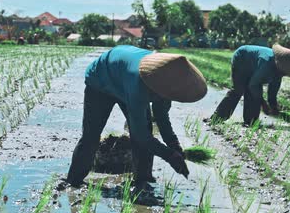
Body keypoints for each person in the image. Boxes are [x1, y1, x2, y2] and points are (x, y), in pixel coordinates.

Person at [66, 45, 208, 187]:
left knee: (146, 129)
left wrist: (174, 145)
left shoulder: (167, 84)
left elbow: (162, 117)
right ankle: (74, 180)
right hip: (101, 81)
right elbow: (141, 135)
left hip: (123, 76)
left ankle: (143, 179)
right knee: (91, 136)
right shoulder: (139, 85)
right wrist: (169, 156)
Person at [211, 44, 290, 126]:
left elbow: (272, 93)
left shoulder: (279, 72)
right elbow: (253, 85)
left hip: (254, 65)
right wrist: (263, 103)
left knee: (254, 93)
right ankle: (217, 118)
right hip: (241, 58)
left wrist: (274, 108)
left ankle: (250, 121)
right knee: (238, 90)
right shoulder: (266, 63)